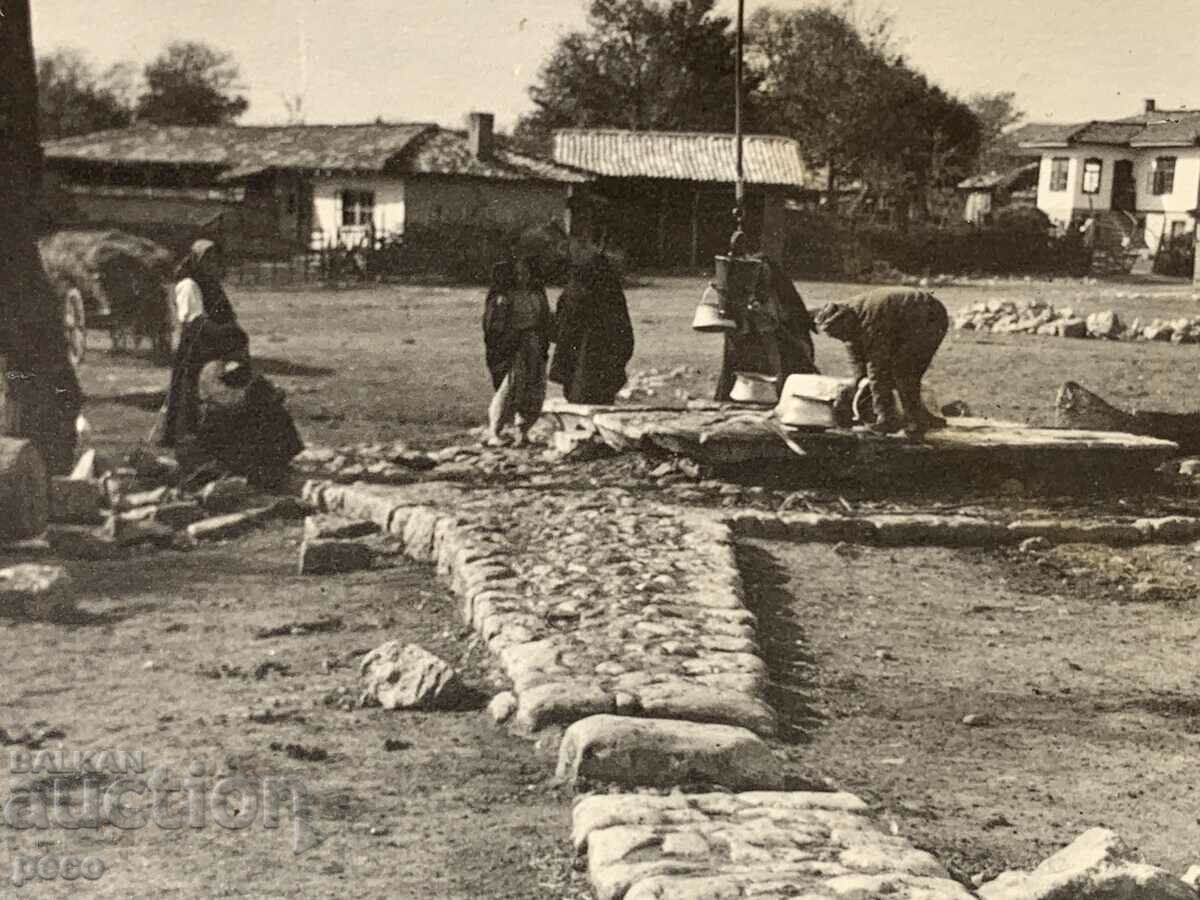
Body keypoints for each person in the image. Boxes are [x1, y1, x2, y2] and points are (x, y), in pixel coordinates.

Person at [157, 240, 302, 487]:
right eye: (207, 259)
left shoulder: (212, 285)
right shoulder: (189, 285)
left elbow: (226, 317)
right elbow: (196, 322)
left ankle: (259, 457)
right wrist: (228, 333)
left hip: (221, 351)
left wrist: (234, 340)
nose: (212, 264)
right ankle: (202, 460)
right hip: (199, 353)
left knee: (246, 397)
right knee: (197, 408)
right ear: (197, 261)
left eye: (215, 259)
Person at [813, 287, 948, 435]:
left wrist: (882, 414)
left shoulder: (870, 321)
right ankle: (914, 416)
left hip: (928, 316)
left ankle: (907, 421)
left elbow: (877, 368)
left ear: (844, 322)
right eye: (834, 336)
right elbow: (858, 364)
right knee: (897, 374)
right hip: (908, 315)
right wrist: (855, 388)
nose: (839, 338)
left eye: (838, 333)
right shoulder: (850, 322)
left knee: (904, 373)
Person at [713, 239, 818, 402]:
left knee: (776, 359)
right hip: (750, 323)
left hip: (767, 324)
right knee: (740, 362)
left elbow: (771, 303)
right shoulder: (739, 271)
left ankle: (781, 394)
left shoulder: (762, 268)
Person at [482, 256, 554, 446]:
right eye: (519, 273)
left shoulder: (537, 295)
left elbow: (545, 320)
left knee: (535, 388)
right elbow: (495, 327)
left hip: (535, 346)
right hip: (514, 347)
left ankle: (523, 431)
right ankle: (495, 431)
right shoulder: (504, 297)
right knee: (510, 387)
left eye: (526, 273)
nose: (522, 277)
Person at [549, 253, 634, 405]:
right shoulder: (610, 292)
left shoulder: (574, 292)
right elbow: (625, 335)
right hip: (600, 369)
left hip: (581, 369)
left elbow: (560, 331)